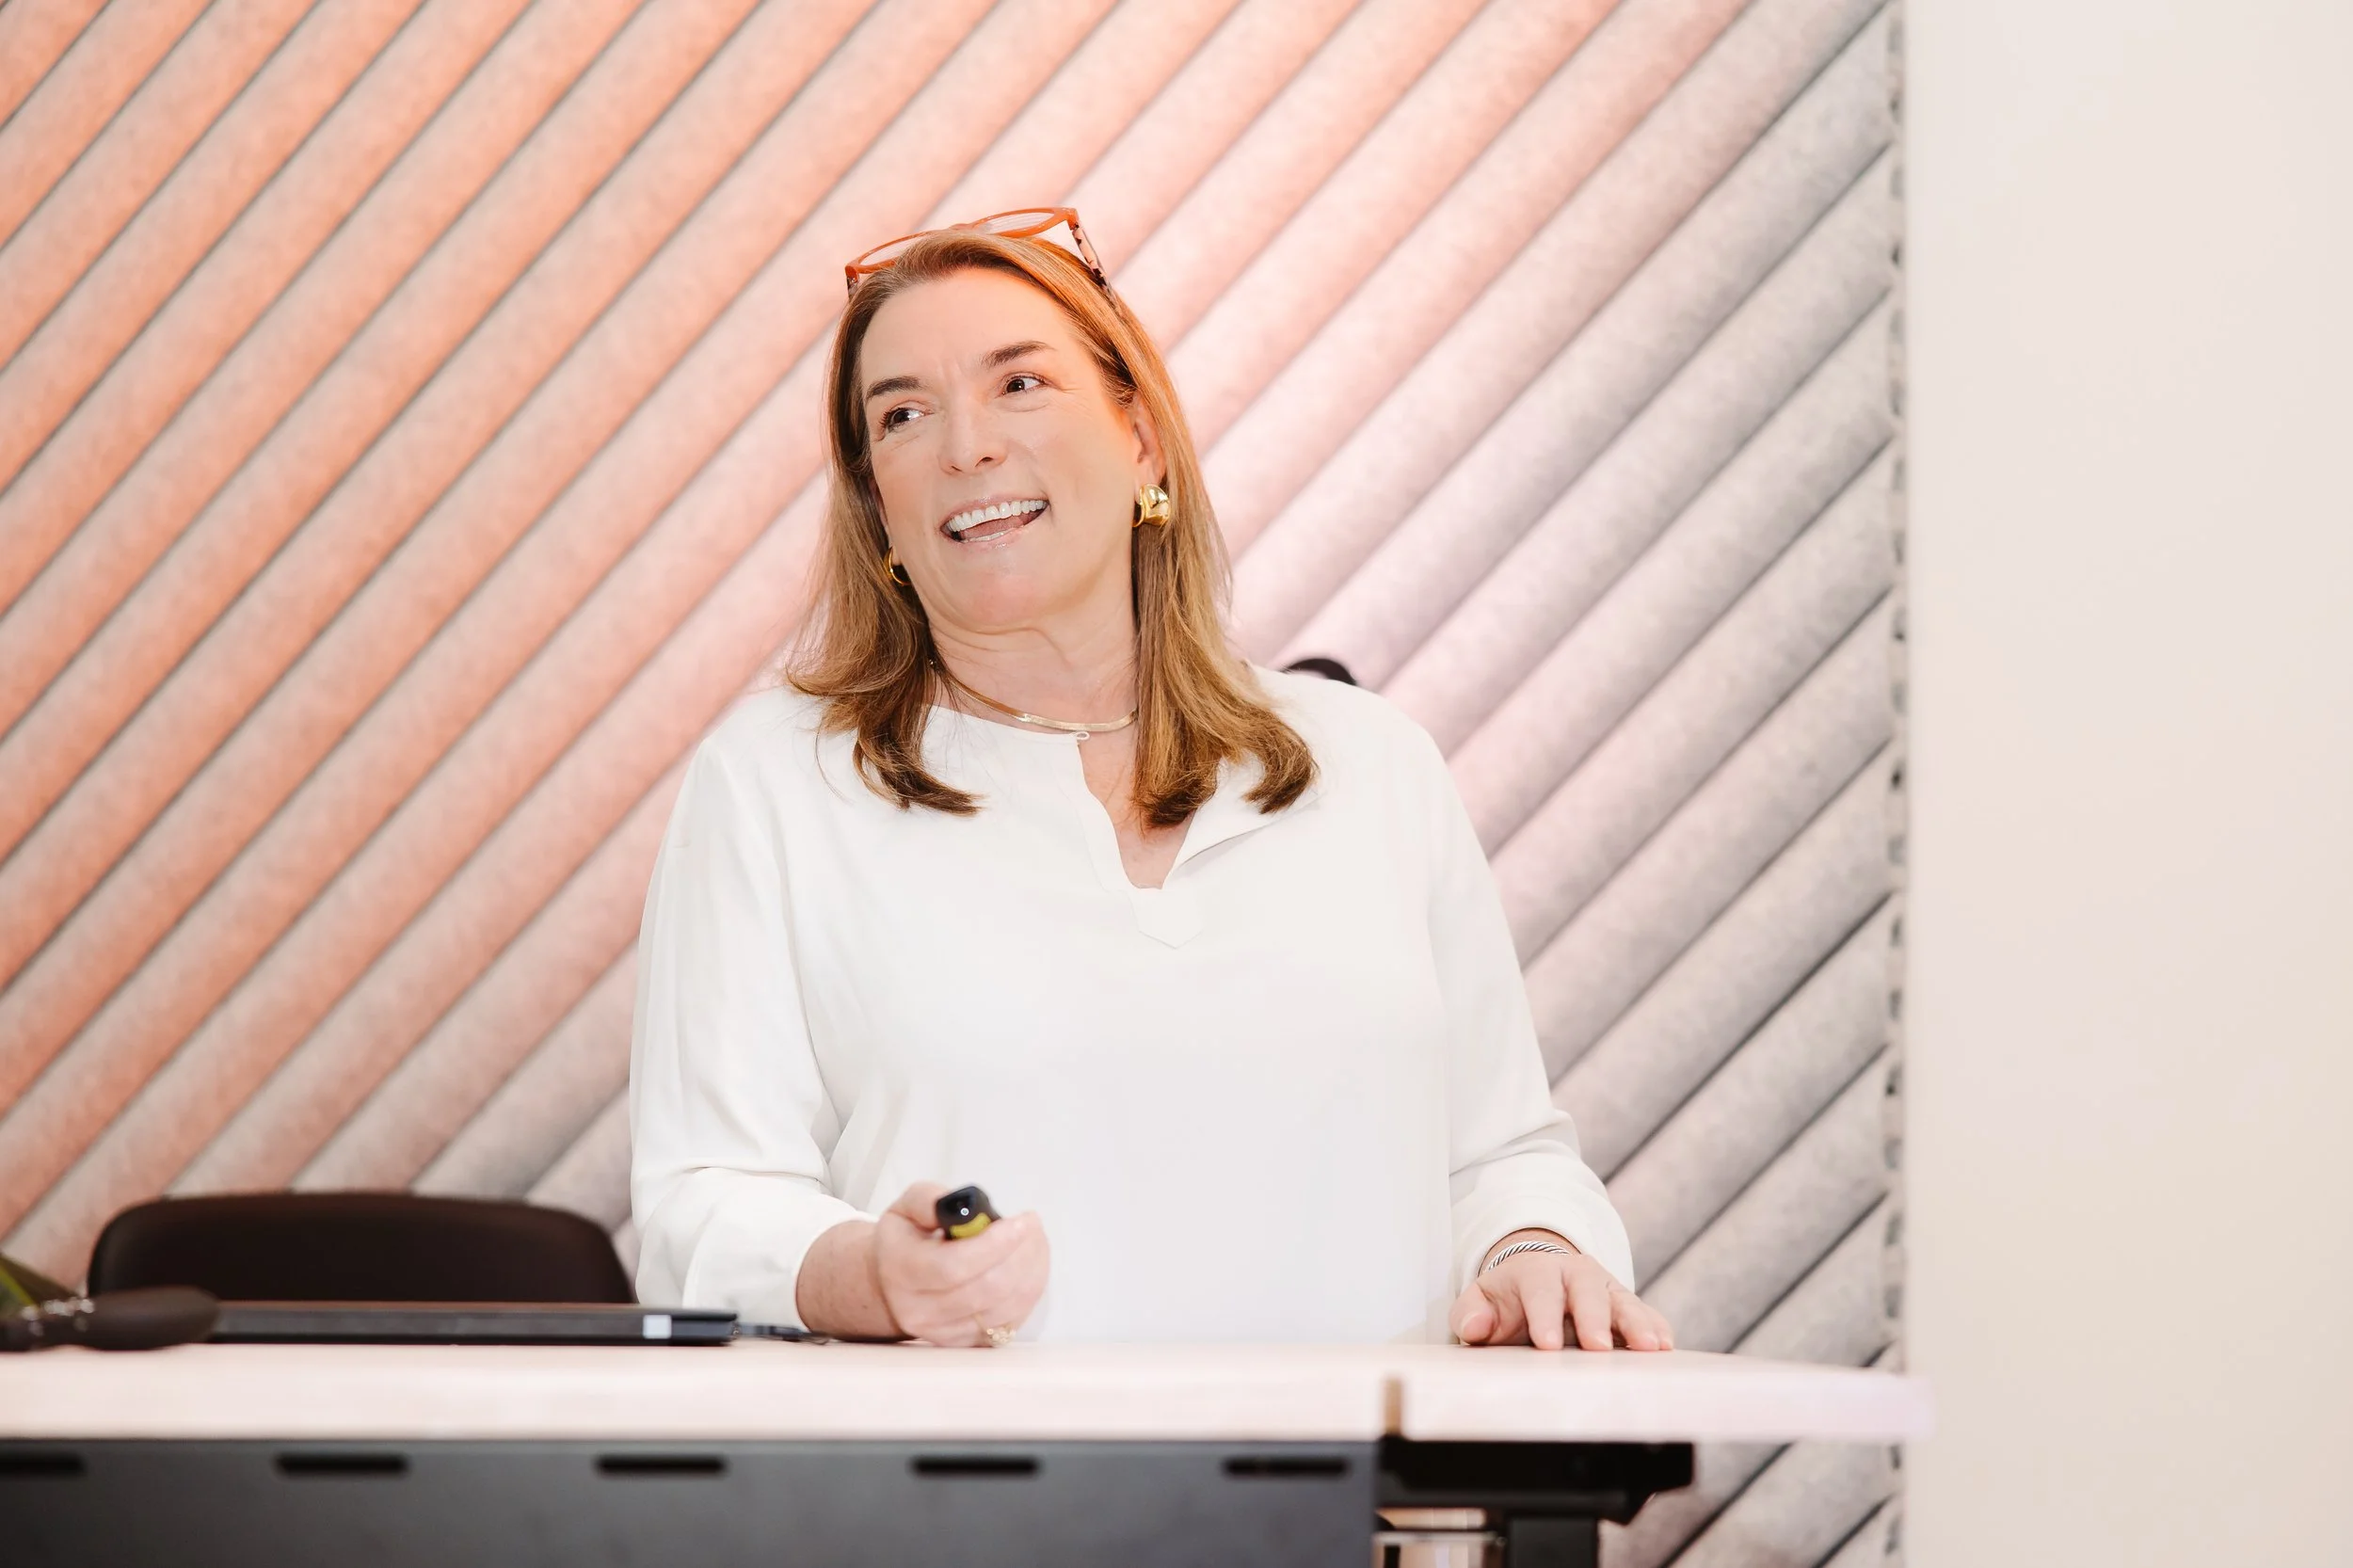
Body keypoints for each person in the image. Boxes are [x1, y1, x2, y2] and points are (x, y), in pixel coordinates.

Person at [628, 209, 1674, 1354]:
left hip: (1354, 1513)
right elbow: (704, 1204)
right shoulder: (778, 783)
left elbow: (1502, 1157)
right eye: (902, 414)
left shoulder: (1369, 762)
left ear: (1142, 443)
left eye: (1018, 383)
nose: (963, 445)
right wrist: (865, 1277)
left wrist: (1533, 1251)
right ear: (879, 508)